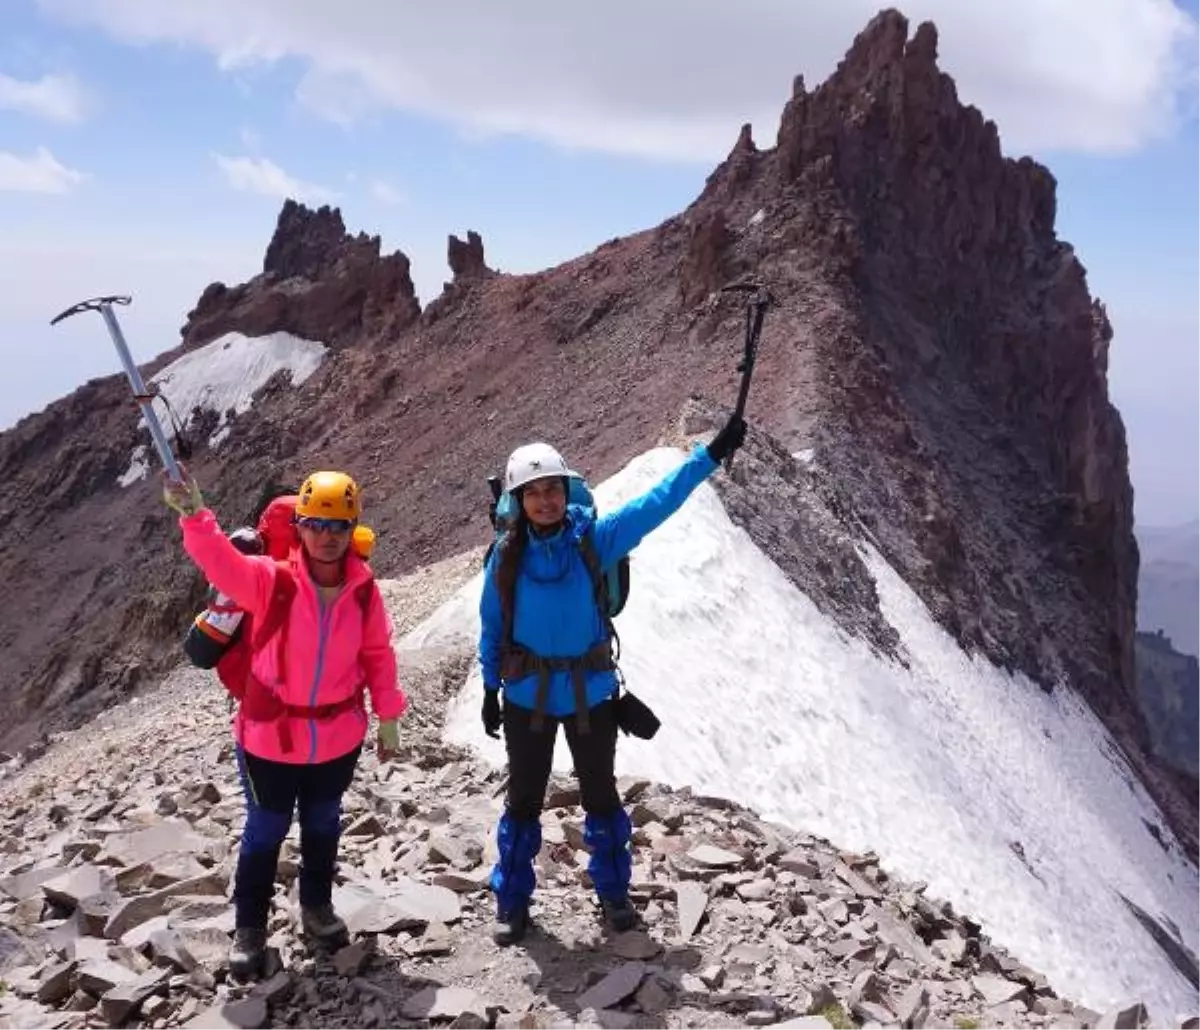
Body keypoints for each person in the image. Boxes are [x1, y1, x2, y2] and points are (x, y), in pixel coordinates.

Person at [478, 413, 748, 944]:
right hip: (529, 696)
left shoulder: (595, 541)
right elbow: (491, 626)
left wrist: (709, 456)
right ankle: (512, 902)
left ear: (568, 491)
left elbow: (657, 505)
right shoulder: (504, 559)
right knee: (524, 801)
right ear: (518, 501)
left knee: (600, 796)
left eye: (553, 489)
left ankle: (613, 894)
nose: (545, 501)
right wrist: (490, 689)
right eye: (533, 493)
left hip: (590, 695)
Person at [163, 468, 407, 978]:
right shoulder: (270, 580)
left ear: (353, 529)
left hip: (337, 737)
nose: (327, 536)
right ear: (299, 525)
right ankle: (250, 928)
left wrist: (389, 716)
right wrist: (195, 517)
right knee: (267, 827)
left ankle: (316, 909)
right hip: (270, 738)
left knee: (322, 822)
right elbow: (221, 564)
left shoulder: (363, 591)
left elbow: (377, 655)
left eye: (338, 526)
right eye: (316, 523)